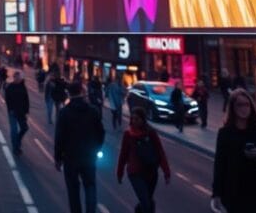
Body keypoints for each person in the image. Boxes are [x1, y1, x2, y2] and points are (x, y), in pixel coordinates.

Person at [211, 89, 256, 213]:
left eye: (247, 104)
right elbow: (219, 164)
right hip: (233, 189)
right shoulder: (225, 133)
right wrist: (216, 193)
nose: (244, 108)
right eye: (240, 105)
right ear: (233, 107)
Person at [54, 82, 105, 213]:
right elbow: (101, 133)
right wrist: (96, 148)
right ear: (82, 92)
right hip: (89, 156)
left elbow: (59, 137)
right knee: (90, 186)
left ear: (69, 94)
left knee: (73, 189)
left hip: (70, 158)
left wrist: (58, 158)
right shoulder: (93, 111)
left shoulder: (64, 113)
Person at [117, 107, 170, 213]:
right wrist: (120, 172)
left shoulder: (151, 133)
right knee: (145, 203)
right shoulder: (128, 134)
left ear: (143, 119)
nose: (134, 122)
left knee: (148, 202)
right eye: (133, 119)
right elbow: (123, 154)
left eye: (137, 119)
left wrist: (166, 172)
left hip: (151, 172)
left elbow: (160, 151)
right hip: (135, 173)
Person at [5, 71, 31, 155]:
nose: (18, 79)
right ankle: (16, 147)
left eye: (19, 77)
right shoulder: (10, 87)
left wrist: (26, 111)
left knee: (24, 128)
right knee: (14, 130)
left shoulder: (23, 86)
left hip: (21, 112)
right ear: (14, 78)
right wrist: (10, 109)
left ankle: (18, 140)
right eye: (17, 77)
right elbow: (7, 99)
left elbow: (26, 99)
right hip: (13, 112)